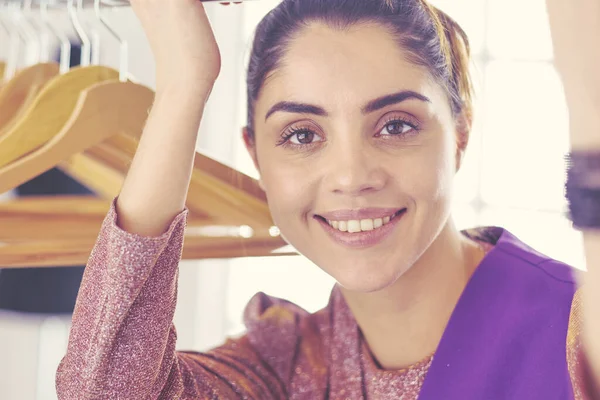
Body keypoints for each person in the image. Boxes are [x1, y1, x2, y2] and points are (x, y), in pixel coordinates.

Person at [55, 0, 600, 398]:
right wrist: (184, 77)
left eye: (395, 125)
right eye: (301, 135)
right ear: (257, 159)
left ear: (460, 132)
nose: (351, 176)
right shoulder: (286, 370)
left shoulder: (579, 330)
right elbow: (102, 389)